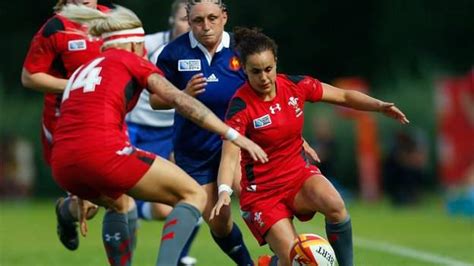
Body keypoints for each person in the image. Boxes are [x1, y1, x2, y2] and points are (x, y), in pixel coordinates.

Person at [52, 4, 267, 266]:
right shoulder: (131, 60)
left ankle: (67, 209)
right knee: (194, 195)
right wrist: (231, 133)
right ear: (132, 45)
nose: (144, 52)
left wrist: (77, 190)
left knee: (120, 205)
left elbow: (73, 122)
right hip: (106, 153)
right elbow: (180, 101)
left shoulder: (82, 71)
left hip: (62, 161)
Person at [211, 27, 410, 266]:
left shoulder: (296, 86)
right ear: (244, 70)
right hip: (263, 194)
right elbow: (229, 157)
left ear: (276, 63)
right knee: (294, 259)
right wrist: (224, 191)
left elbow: (345, 96)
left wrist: (379, 106)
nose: (264, 77)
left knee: (335, 204)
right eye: (255, 72)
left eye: (268, 69)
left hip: (298, 175)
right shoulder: (240, 107)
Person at [154, 1, 256, 264]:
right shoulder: (173, 53)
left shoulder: (243, 50)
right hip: (195, 151)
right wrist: (182, 96)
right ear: (188, 19)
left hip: (238, 143)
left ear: (224, 16)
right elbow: (155, 100)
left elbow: (266, 90)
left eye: (212, 18)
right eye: (198, 20)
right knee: (219, 222)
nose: (206, 26)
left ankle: (285, 254)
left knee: (255, 199)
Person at [21, 0, 109, 251]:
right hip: (65, 120)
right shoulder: (55, 28)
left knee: (117, 196)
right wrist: (78, 84)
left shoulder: (115, 20)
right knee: (90, 207)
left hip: (108, 116)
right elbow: (29, 77)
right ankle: (65, 211)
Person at [125, 0, 200, 264]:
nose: (190, 25)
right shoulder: (145, 45)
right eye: (183, 18)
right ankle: (133, 211)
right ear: (171, 21)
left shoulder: (205, 53)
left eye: (195, 20)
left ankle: (181, 257)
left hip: (174, 131)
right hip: (136, 129)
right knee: (125, 198)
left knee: (192, 192)